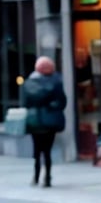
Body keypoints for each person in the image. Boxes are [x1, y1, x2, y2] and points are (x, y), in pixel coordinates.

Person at [23, 55, 67, 188]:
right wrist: (53, 106)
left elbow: (25, 102)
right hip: (50, 121)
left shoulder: (31, 82)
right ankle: (47, 177)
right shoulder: (57, 81)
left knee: (37, 151)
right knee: (47, 151)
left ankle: (36, 177)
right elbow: (63, 102)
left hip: (35, 121)